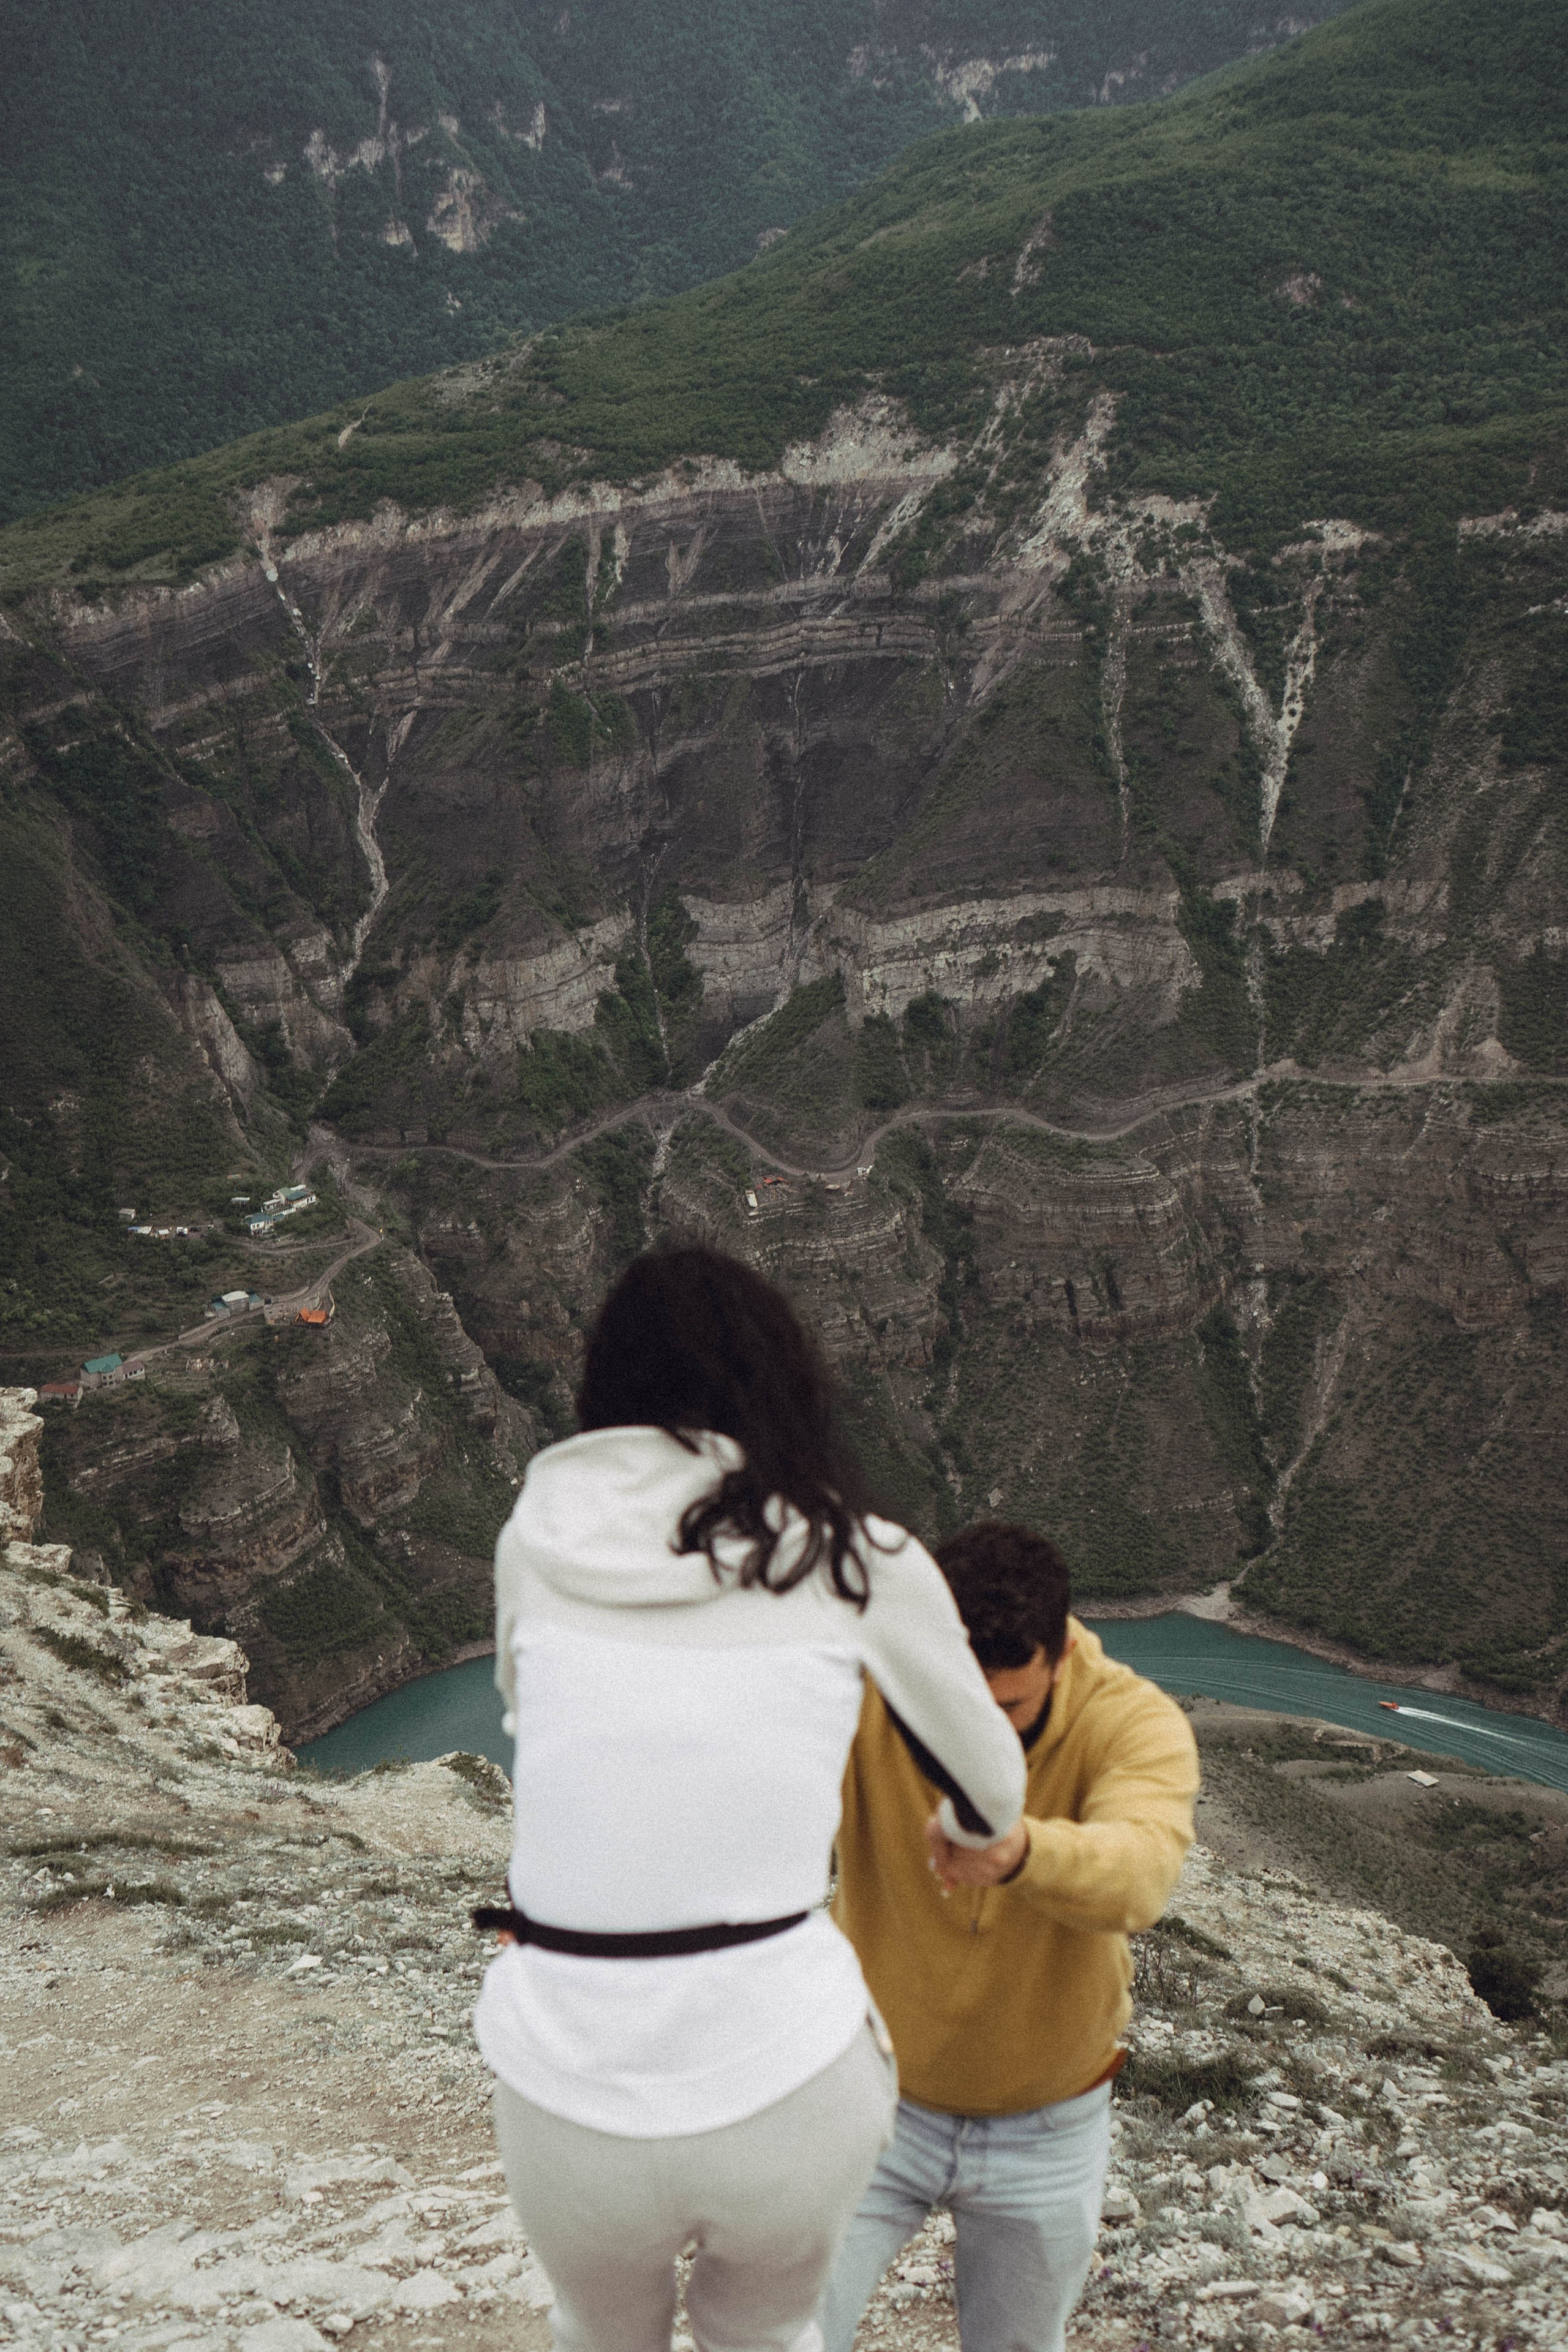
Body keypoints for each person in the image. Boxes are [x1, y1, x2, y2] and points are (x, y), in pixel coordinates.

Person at [472, 1246, 1028, 2352]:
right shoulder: (855, 1554)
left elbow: (522, 1712)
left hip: (568, 2076)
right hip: (788, 2077)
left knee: (594, 2332)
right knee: (769, 2335)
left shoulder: (534, 1543)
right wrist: (971, 1839)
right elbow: (993, 1781)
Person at [820, 1521, 1200, 2352]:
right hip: (869, 2097)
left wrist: (1025, 1850)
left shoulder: (1134, 1721)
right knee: (782, 2331)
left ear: (1061, 1656)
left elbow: (1141, 1875)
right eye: (955, 1707)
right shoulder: (865, 1690)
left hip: (1049, 2125)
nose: (974, 1742)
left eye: (1008, 1710)